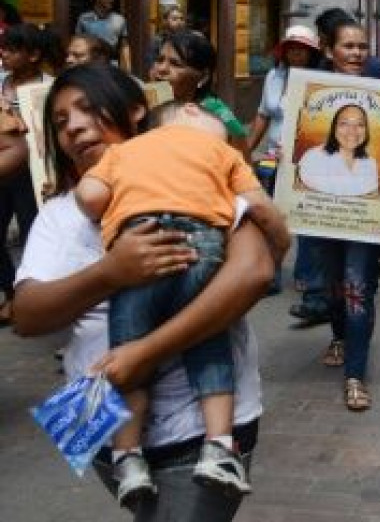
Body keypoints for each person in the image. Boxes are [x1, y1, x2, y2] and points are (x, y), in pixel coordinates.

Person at [13, 63, 273, 521]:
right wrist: (112, 272)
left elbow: (253, 274)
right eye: (59, 122)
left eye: (88, 109)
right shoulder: (61, 215)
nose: (73, 126)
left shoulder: (200, 182)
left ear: (135, 111)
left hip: (199, 429)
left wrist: (145, 352)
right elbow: (27, 316)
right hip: (100, 422)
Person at [73, 101, 289, 506]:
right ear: (190, 112)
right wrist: (282, 243)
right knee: (207, 336)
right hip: (202, 247)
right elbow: (261, 207)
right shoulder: (224, 154)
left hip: (140, 247)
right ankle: (220, 447)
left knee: (127, 355)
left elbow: (89, 195)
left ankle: (128, 457)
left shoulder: (122, 152)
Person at [305, 19, 380, 411]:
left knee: (358, 290)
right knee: (334, 286)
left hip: (365, 225)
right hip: (323, 219)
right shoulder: (310, 90)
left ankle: (355, 375)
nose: (356, 53)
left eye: (361, 46)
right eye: (348, 46)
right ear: (329, 50)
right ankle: (339, 336)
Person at [0, 23, 60, 325]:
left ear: (34, 55)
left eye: (13, 49)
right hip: (1, 172)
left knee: (32, 235)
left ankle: (33, 299)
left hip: (31, 176)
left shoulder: (48, 87)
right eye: (3, 48)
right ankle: (10, 297)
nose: (4, 54)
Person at [245, 24, 322, 193]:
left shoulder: (319, 81)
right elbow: (263, 115)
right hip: (273, 156)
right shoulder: (273, 76)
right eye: (291, 48)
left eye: (302, 48)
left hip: (305, 160)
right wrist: (245, 151)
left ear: (311, 53)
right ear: (284, 51)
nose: (296, 52)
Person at [150, 31, 248, 155]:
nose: (162, 69)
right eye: (159, 60)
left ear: (203, 76)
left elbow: (243, 168)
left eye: (176, 64)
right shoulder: (152, 101)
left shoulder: (218, 118)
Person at [297, 103, 380, 196]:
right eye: (344, 123)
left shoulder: (370, 163)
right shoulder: (313, 157)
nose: (352, 130)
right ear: (334, 128)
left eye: (360, 124)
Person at [76, 0, 131, 72]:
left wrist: (128, 69)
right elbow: (78, 44)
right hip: (89, 65)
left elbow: (124, 46)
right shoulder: (84, 18)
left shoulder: (120, 20)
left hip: (111, 65)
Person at [148, 5, 186, 71]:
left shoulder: (189, 40)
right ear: (165, 21)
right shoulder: (157, 40)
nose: (179, 22)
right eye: (175, 19)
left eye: (181, 19)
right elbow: (152, 65)